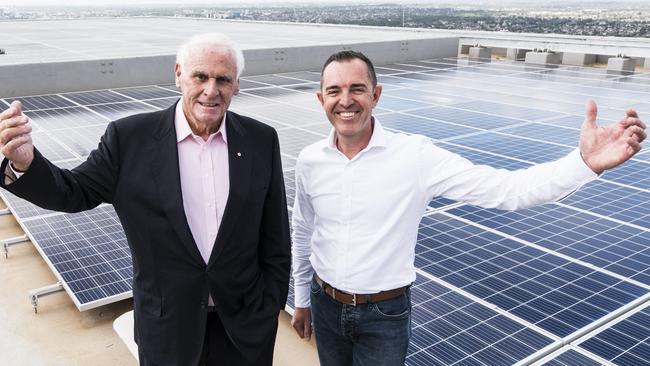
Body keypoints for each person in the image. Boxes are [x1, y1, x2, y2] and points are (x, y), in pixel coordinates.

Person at [290, 50, 646, 366]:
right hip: (325, 304)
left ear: (376, 95)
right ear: (321, 98)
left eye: (357, 89)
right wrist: (303, 298)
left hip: (383, 314)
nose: (346, 100)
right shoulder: (310, 161)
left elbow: (509, 190)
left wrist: (584, 162)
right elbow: (305, 231)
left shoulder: (415, 156)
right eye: (335, 91)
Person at [0, 33, 291, 366]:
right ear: (179, 73)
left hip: (244, 330)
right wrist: (26, 163)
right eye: (200, 76)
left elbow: (275, 238)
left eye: (222, 79)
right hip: (167, 332)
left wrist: (269, 307)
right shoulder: (129, 139)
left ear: (236, 84)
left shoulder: (260, 140)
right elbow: (72, 191)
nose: (211, 90)